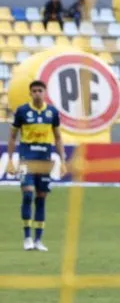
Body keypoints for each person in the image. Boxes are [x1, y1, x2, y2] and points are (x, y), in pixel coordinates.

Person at [6, 80, 66, 251]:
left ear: (44, 92)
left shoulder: (52, 112)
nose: (37, 93)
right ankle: (27, 238)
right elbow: (12, 137)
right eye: (34, 91)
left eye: (40, 90)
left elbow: (58, 138)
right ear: (30, 93)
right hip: (27, 157)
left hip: (44, 159)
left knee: (41, 198)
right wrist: (10, 159)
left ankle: (38, 240)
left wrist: (62, 161)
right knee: (27, 194)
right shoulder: (22, 111)